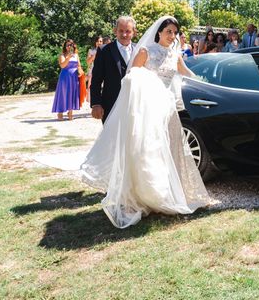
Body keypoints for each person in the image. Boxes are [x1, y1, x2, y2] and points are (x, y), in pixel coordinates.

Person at [81, 16, 211, 228]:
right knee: (147, 152)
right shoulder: (146, 52)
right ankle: (145, 195)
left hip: (168, 110)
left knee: (172, 150)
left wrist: (205, 84)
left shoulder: (175, 54)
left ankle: (171, 193)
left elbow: (187, 73)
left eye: (175, 33)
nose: (172, 36)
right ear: (158, 32)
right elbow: (132, 78)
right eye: (168, 31)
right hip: (148, 111)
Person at [91, 16, 136, 123]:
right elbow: (96, 79)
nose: (124, 34)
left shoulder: (139, 50)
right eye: (121, 31)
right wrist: (96, 104)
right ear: (115, 31)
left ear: (134, 32)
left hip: (134, 105)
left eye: (128, 31)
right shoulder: (104, 50)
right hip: (110, 105)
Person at [52, 39, 84, 120]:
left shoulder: (76, 55)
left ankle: (70, 113)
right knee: (63, 94)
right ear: (65, 46)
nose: (69, 47)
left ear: (73, 46)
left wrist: (80, 71)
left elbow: (79, 65)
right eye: (67, 45)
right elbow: (62, 66)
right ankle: (60, 113)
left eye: (71, 45)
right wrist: (68, 57)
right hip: (65, 77)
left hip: (74, 77)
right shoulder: (62, 55)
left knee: (72, 94)